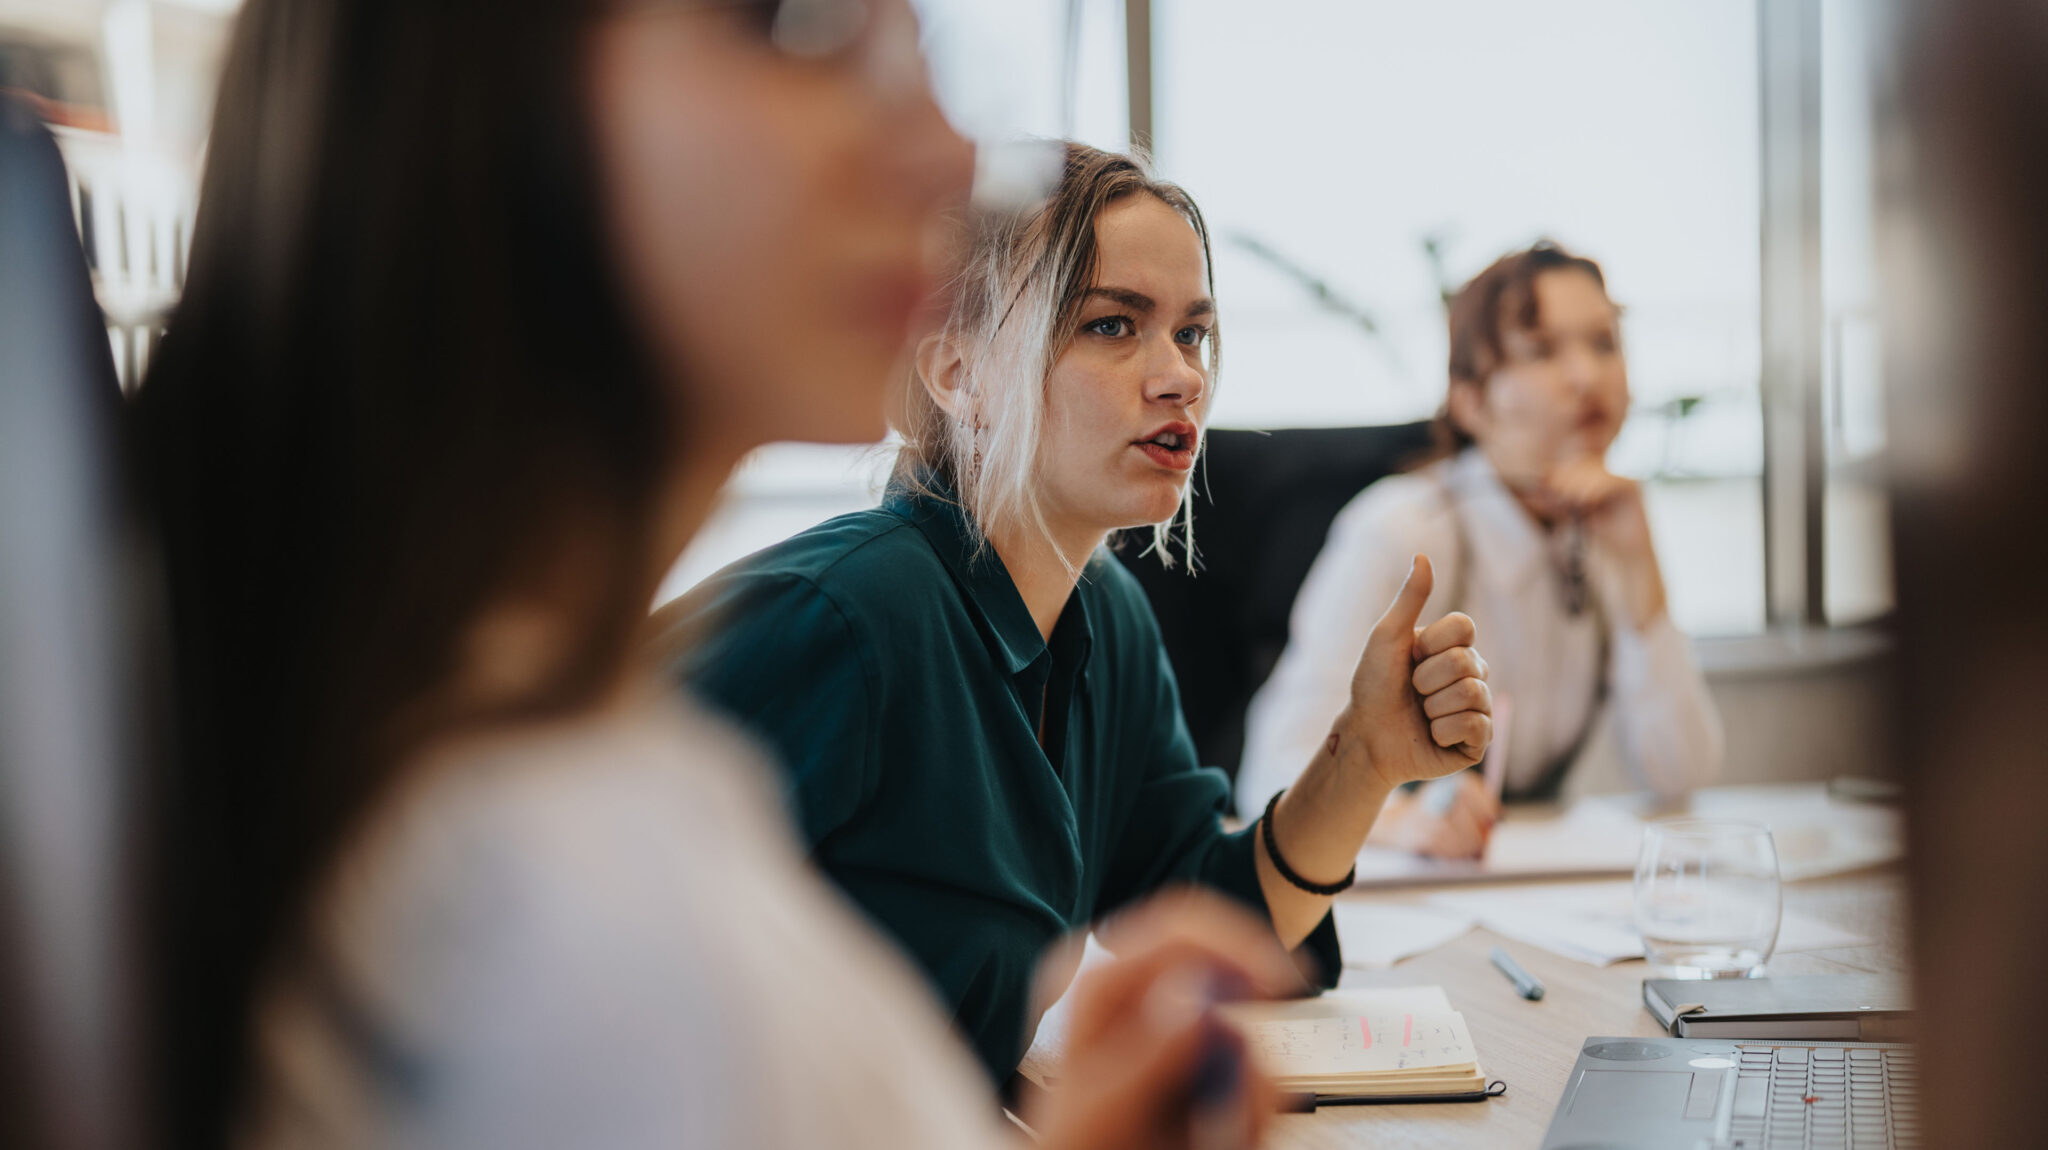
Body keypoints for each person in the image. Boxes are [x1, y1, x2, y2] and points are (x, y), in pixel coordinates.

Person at [130, 1, 1303, 1148]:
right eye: (791, 23)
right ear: (485, 73)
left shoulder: (594, 775)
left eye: (1193, 334)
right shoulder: (532, 886)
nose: (947, 153)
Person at [661, 141, 1496, 1084]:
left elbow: (1215, 926)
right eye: (1112, 326)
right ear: (956, 372)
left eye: (1193, 332)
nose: (1179, 374)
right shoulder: (839, 618)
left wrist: (1364, 758)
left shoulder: (1110, 618)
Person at [1236, 241, 1723, 858]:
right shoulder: (1400, 529)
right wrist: (1407, 822)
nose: (1586, 377)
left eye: (1604, 343)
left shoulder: (1605, 533)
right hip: (1397, 895)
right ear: (1469, 401)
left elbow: (1680, 776)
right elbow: (1270, 776)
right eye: (1541, 351)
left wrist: (1640, 563)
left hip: (1521, 892)